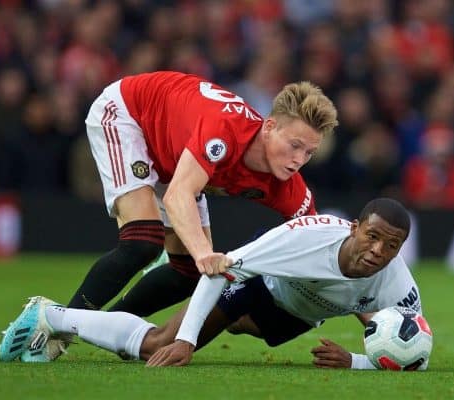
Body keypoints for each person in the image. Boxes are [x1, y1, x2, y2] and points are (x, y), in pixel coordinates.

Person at [0, 198, 426, 370]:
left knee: (240, 325)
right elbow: (221, 269)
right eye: (372, 236)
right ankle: (50, 315)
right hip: (262, 284)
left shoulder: (397, 283)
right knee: (159, 343)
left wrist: (355, 361)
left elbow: (416, 356)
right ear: (354, 229)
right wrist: (185, 340)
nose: (378, 251)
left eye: (392, 245)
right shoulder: (305, 239)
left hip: (294, 314)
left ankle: (207, 309)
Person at [63, 71, 337, 311]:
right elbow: (178, 195)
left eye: (309, 152)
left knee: (190, 273)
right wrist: (204, 253)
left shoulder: (288, 183)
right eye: (295, 145)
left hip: (175, 153)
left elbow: (316, 242)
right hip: (129, 114)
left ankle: (110, 326)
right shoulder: (224, 131)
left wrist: (361, 303)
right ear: (269, 127)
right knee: (143, 242)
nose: (299, 160)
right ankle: (56, 322)